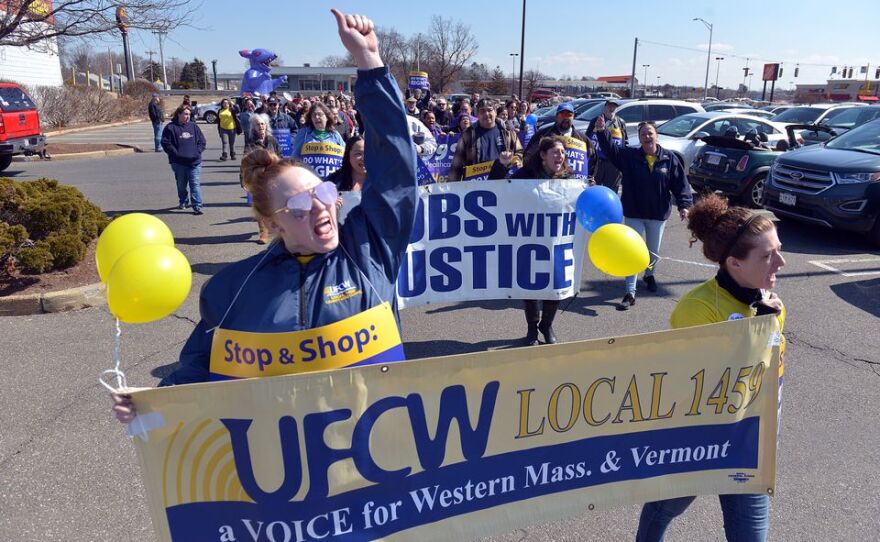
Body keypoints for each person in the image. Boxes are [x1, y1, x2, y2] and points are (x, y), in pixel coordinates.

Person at [112, 9, 417, 421]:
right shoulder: (232, 289)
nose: (320, 206)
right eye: (299, 205)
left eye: (322, 192)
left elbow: (396, 164)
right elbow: (199, 370)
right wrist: (150, 405)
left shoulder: (368, 250)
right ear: (272, 222)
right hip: (285, 475)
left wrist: (370, 63)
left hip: (374, 463)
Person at [635, 192, 786, 542]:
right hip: (697, 445)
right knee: (662, 511)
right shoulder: (696, 310)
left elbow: (766, 375)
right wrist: (758, 331)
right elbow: (698, 387)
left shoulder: (768, 301)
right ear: (734, 263)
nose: (780, 262)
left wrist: (768, 325)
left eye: (778, 248)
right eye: (767, 255)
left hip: (749, 445)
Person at [594, 117, 692, 310]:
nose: (647, 136)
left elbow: (680, 184)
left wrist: (684, 205)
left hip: (658, 214)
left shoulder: (669, 158)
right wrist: (601, 131)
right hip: (634, 213)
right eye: (643, 134)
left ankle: (648, 274)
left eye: (650, 133)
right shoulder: (630, 156)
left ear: (656, 136)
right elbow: (611, 151)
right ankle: (630, 292)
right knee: (632, 253)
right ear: (639, 138)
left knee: (652, 253)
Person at [490, 136, 575, 345]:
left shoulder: (569, 179)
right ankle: (531, 329)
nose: (560, 156)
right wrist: (501, 165)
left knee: (555, 283)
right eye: (555, 152)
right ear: (543, 156)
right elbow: (496, 189)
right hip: (529, 240)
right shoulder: (526, 175)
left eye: (563, 153)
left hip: (556, 241)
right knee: (530, 286)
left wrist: (588, 188)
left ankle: (546, 326)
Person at [449, 97, 522, 181]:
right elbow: (457, 163)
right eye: (482, 111)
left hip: (504, 182)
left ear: (495, 112)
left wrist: (516, 160)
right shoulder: (468, 134)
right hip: (476, 183)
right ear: (477, 114)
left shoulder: (508, 132)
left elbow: (519, 152)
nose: (486, 114)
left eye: (489, 110)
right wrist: (452, 187)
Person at [524, 102, 596, 179]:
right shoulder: (543, 135)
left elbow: (593, 162)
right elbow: (528, 157)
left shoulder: (583, 139)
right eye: (562, 114)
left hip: (574, 185)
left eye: (569, 115)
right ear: (556, 116)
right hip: (544, 183)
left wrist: (590, 179)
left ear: (573, 117)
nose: (566, 118)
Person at [160, 105, 206, 215]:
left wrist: (197, 152)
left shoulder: (193, 126)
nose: (187, 116)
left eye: (189, 114)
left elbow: (202, 141)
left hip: (194, 162)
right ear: (179, 114)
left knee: (194, 184)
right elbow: (166, 143)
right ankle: (183, 201)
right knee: (181, 185)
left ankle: (197, 206)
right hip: (178, 163)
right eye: (185, 114)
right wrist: (176, 154)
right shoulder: (170, 128)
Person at [242, 113, 280, 244]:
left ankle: (275, 229)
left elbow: (279, 157)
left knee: (273, 204)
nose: (261, 126)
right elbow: (245, 162)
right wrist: (243, 180)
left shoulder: (272, 141)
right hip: (256, 179)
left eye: (263, 124)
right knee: (260, 204)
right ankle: (263, 232)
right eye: (258, 124)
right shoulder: (250, 142)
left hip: (271, 178)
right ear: (254, 127)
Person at [586, 99, 628, 193]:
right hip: (598, 163)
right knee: (594, 190)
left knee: (612, 191)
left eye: (614, 106)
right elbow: (587, 139)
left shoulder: (621, 122)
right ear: (605, 107)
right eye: (609, 106)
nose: (611, 108)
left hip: (613, 164)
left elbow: (625, 142)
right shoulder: (595, 121)